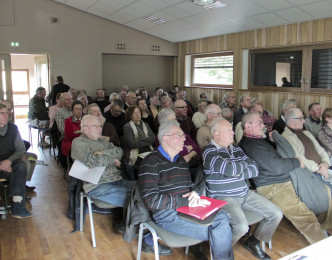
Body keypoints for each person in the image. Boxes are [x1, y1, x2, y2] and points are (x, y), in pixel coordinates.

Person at [138, 120, 234, 260]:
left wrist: (194, 192)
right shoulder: (150, 162)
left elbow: (190, 184)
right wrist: (186, 202)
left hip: (187, 209)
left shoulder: (181, 161)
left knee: (222, 217)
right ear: (166, 138)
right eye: (179, 135)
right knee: (221, 229)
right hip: (167, 215)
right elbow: (152, 201)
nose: (184, 138)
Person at [239, 111, 332, 245]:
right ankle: (324, 250)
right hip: (275, 188)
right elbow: (277, 166)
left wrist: (270, 140)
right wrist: (296, 161)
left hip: (284, 182)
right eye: (259, 122)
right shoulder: (252, 145)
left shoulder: (256, 141)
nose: (263, 125)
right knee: (306, 218)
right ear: (248, 125)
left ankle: (321, 232)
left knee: (321, 194)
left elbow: (271, 157)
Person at [203, 117, 282, 260]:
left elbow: (254, 169)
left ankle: (253, 242)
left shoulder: (236, 148)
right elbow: (229, 169)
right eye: (229, 130)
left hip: (245, 194)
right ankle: (219, 254)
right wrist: (239, 169)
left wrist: (235, 171)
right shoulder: (209, 151)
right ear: (217, 134)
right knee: (241, 227)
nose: (233, 133)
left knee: (276, 214)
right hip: (224, 197)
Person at [71, 115, 135, 208]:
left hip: (117, 180)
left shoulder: (102, 141)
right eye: (95, 126)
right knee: (139, 198)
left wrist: (100, 152)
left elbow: (119, 151)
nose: (100, 128)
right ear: (85, 129)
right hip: (97, 186)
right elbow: (92, 160)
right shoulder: (78, 142)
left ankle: (128, 220)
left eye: (100, 126)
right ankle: (126, 222)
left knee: (144, 188)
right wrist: (112, 160)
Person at [0, 103, 32, 218]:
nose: (5, 116)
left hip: (11, 159)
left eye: (7, 113)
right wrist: (2, 165)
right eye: (2, 113)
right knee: (17, 173)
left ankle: (17, 205)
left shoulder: (13, 128)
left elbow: (21, 149)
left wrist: (9, 161)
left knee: (21, 166)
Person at [282, 108, 330, 182]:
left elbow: (320, 150)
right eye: (300, 118)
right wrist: (319, 168)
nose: (304, 121)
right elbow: (299, 158)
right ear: (291, 120)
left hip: (323, 169)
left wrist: (325, 164)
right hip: (311, 173)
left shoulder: (307, 133)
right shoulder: (286, 137)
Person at [122, 106, 155, 177]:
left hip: (149, 149)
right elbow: (132, 144)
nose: (138, 114)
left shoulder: (146, 124)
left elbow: (152, 139)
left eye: (138, 112)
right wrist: (146, 140)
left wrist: (139, 139)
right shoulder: (127, 127)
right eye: (135, 113)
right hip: (136, 152)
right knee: (145, 164)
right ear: (130, 116)